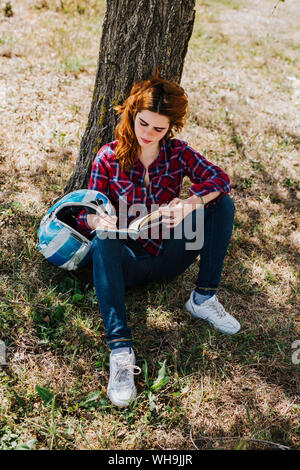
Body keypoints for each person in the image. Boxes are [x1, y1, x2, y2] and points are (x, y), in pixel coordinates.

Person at [76, 68, 240, 407]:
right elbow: (83, 212)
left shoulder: (178, 153)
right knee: (105, 237)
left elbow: (219, 179)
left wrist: (189, 203)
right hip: (127, 263)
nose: (149, 133)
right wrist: (98, 218)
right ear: (133, 115)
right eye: (143, 123)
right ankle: (121, 352)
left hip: (168, 256)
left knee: (221, 205)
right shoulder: (108, 156)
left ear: (171, 128)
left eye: (159, 128)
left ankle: (203, 299)